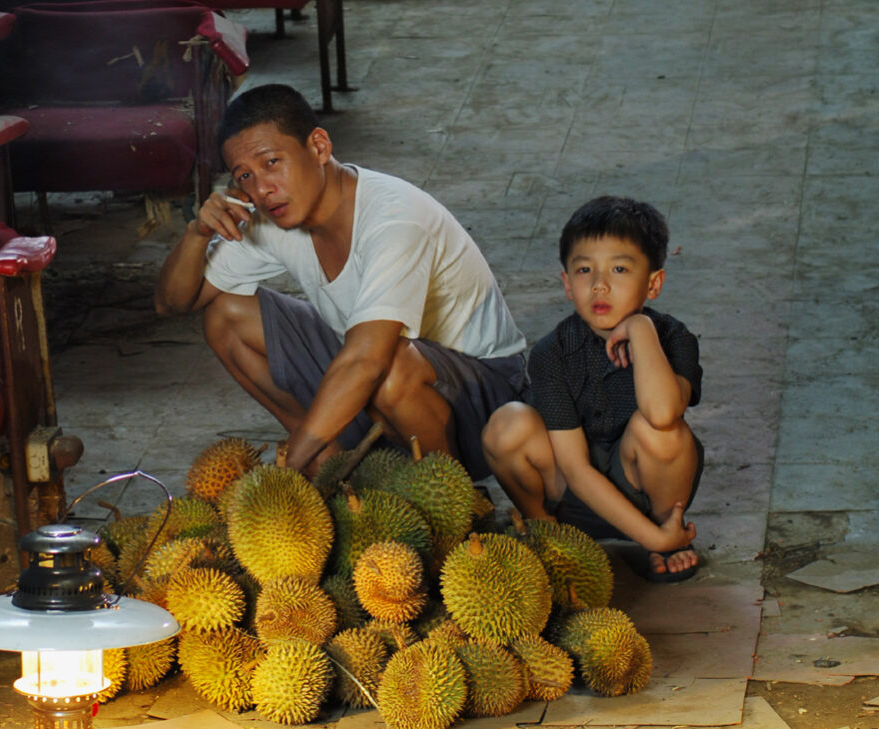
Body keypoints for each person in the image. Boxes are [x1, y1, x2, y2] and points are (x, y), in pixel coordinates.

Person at [155, 84, 527, 478]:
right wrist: (197, 233)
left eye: (272, 162)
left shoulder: (395, 219)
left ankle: (448, 493)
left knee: (387, 366)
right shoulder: (273, 217)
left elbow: (368, 360)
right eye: (244, 176)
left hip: (484, 405)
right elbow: (172, 303)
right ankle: (328, 458)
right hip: (375, 381)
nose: (262, 189)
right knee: (225, 315)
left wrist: (285, 473)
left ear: (318, 147)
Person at [481, 196, 703, 582]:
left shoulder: (674, 338)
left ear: (653, 283)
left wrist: (641, 329)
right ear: (567, 284)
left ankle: (666, 535)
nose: (600, 285)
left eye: (619, 269)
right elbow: (575, 468)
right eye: (585, 270)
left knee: (662, 432)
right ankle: (544, 529)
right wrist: (655, 537)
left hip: (645, 493)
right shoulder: (552, 353)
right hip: (572, 493)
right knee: (507, 423)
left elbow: (664, 413)